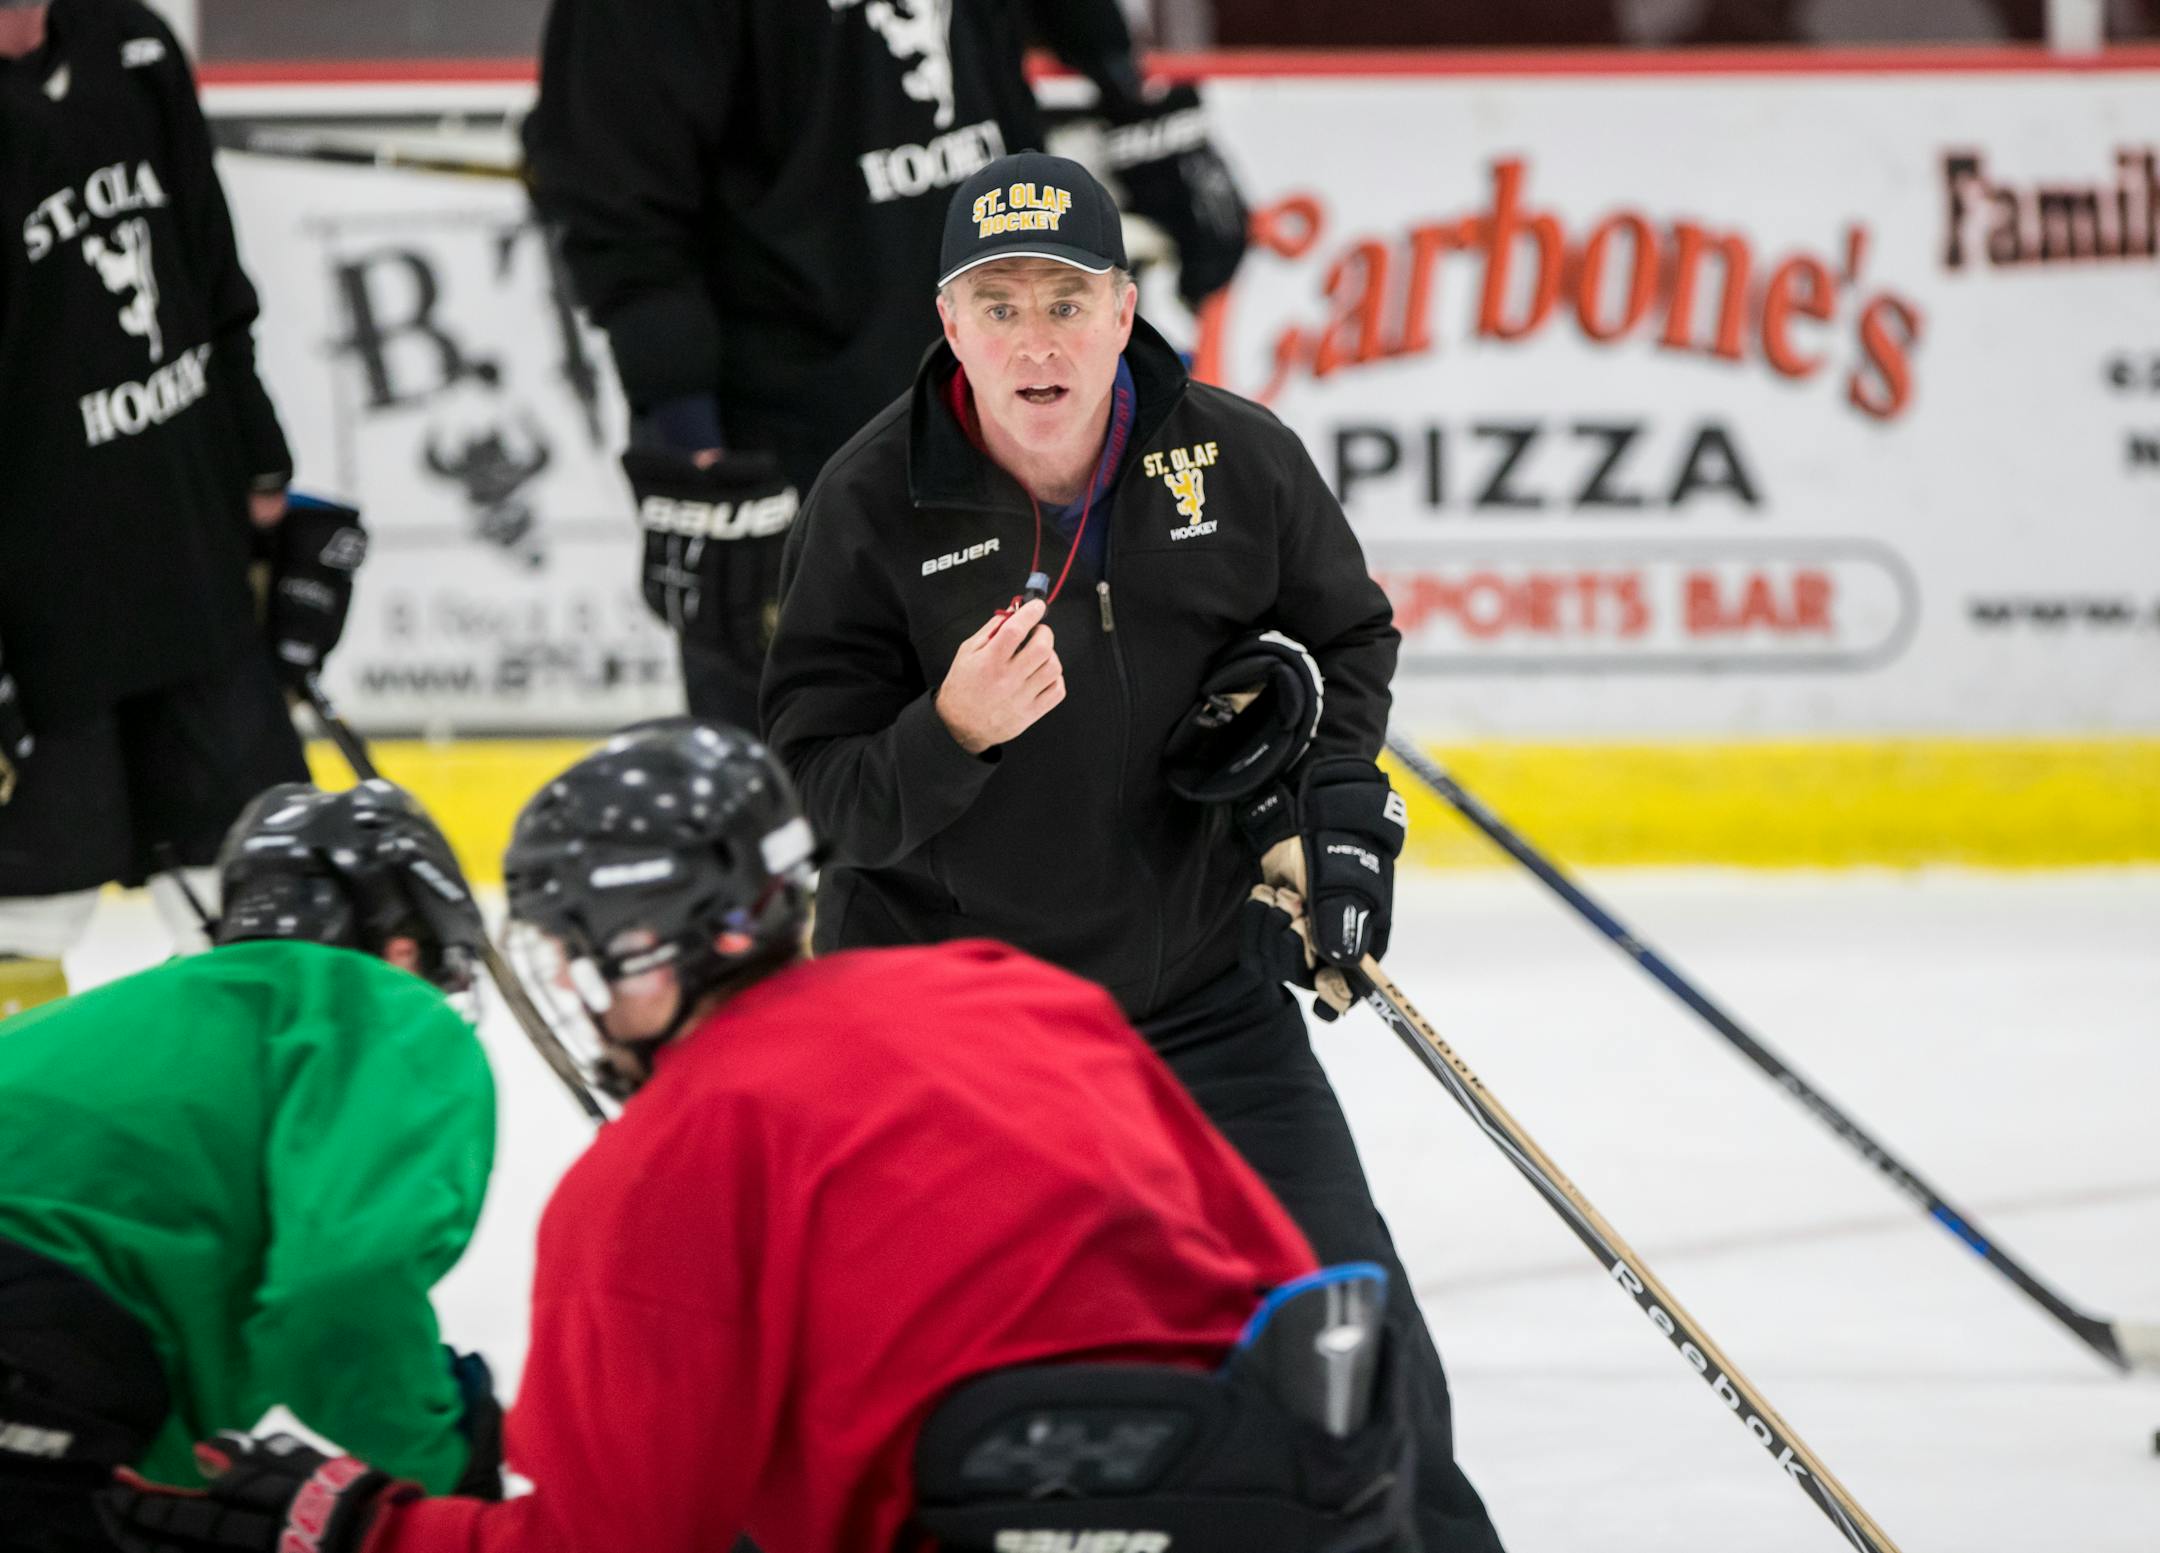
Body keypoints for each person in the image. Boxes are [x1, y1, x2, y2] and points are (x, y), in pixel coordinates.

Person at [98, 720, 1411, 1553]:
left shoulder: (659, 1163)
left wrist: (357, 1525)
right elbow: (1264, 1262)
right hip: (1288, 1491)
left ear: (633, 946)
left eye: (571, 946)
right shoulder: (1007, 990)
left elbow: (614, 1543)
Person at [758, 151, 1503, 1551]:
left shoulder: (1235, 458)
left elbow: (1345, 639)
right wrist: (950, 734)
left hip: (1198, 1003)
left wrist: (1319, 807)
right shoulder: (867, 504)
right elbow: (823, 795)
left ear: (1122, 309)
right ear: (949, 324)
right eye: (998, 306)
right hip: (947, 1040)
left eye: (1064, 301)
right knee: (871, 1399)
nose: (1034, 340)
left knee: (1358, 1341)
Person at [521, 0, 1252, 731]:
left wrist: (1131, 93)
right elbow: (617, 196)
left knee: (1061, 754)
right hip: (802, 442)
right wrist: (693, 447)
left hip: (1010, 416)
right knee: (810, 770)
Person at [0, 780, 502, 1553]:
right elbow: (340, 1288)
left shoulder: (116, 1016)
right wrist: (438, 1479)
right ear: (406, 946)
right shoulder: (383, 1009)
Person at [0, 0, 355, 1015]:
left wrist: (263, 472)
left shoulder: (133, 46)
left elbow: (210, 277)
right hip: (36, 614)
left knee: (257, 894)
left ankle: (242, 1112)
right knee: (22, 915)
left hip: (189, 565)